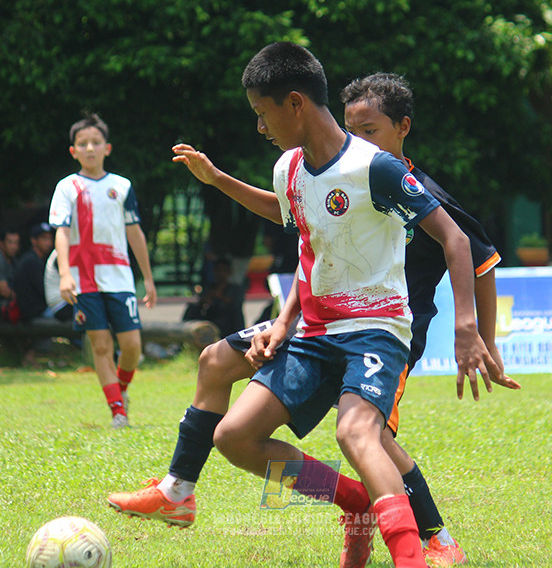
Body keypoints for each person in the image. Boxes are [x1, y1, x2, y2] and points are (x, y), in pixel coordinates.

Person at [108, 71, 517, 566]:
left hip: (381, 329)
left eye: (263, 113)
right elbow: (309, 243)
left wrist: (473, 332)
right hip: (315, 324)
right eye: (355, 127)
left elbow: (466, 247)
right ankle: (186, 491)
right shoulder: (293, 169)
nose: (259, 126)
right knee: (222, 383)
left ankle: (432, 539)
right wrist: (282, 320)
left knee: (364, 436)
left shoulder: (388, 174)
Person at [49, 113, 158, 429]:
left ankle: (119, 390)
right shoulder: (67, 187)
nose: (90, 148)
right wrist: (66, 274)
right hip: (84, 279)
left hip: (120, 277)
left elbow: (135, 233)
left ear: (107, 148)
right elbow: (61, 232)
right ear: (74, 151)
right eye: (82, 144)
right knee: (100, 345)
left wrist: (148, 279)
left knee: (132, 347)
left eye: (95, 143)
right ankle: (118, 412)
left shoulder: (121, 186)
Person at [14, 222, 57, 366]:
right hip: (31, 310)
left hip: (35, 308)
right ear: (33, 240)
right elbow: (43, 290)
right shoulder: (31, 261)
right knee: (68, 316)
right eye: (43, 238)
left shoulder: (36, 259)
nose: (48, 243)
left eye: (50, 238)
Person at [181, 257, 245, 336]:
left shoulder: (235, 289)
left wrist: (220, 297)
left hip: (226, 318)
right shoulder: (209, 287)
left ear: (229, 272)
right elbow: (201, 301)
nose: (220, 273)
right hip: (211, 316)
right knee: (192, 307)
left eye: (223, 270)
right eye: (218, 270)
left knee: (235, 313)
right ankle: (184, 333)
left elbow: (236, 304)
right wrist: (206, 299)